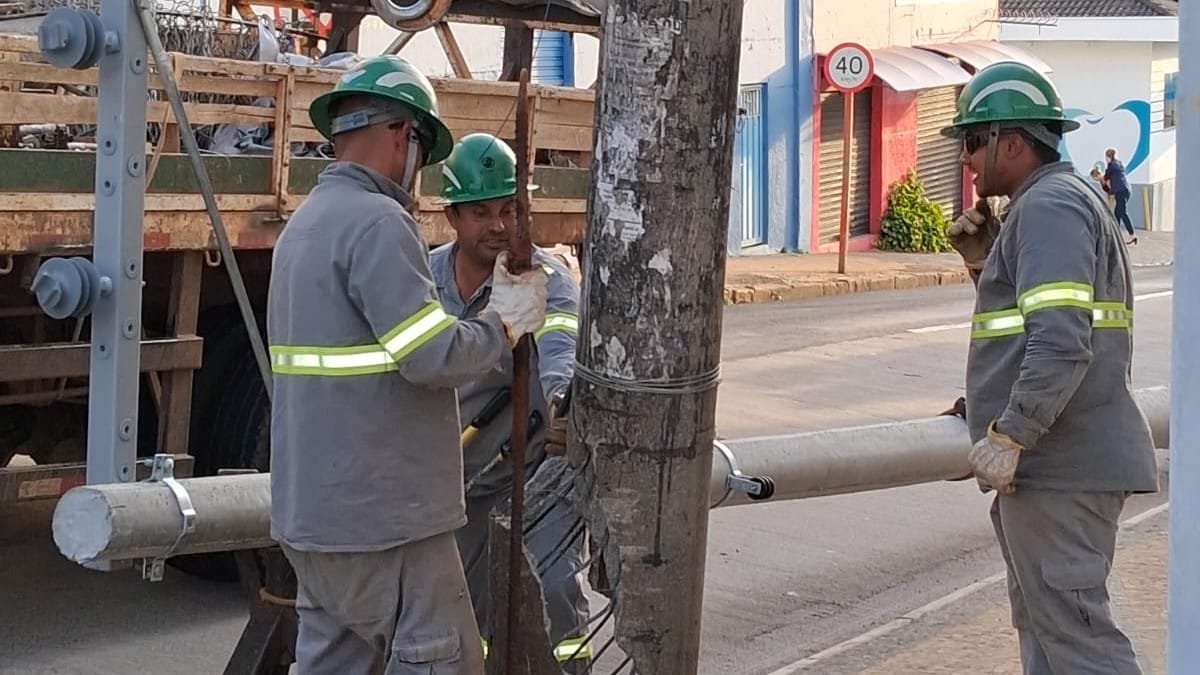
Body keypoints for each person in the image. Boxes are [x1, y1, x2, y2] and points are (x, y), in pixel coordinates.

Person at [266, 56, 550, 675]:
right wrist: (503, 325)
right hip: (386, 523)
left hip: (315, 515)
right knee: (441, 660)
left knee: (332, 663)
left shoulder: (305, 226)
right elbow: (430, 356)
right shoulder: (378, 222)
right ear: (403, 138)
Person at [941, 61, 1158, 675]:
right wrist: (987, 265)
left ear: (1010, 143)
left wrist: (1012, 433)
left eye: (971, 142)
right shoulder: (1059, 202)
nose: (964, 158)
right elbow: (1032, 327)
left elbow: (1062, 342)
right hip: (1059, 469)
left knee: (1080, 647)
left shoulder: (1050, 208)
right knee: (1049, 638)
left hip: (1061, 469)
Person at [430, 132, 591, 672]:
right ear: (452, 217)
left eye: (509, 209)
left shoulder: (547, 282)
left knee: (554, 590)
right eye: (481, 213)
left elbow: (560, 349)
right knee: (462, 613)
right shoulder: (425, 279)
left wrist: (563, 396)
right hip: (457, 481)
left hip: (536, 475)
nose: (499, 226)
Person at [1103, 147, 1137, 244]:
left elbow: (1106, 177)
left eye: (1106, 157)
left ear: (1108, 157)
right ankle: (1116, 234)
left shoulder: (1111, 166)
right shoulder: (1119, 163)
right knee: (1117, 212)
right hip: (1126, 189)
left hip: (1120, 190)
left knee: (1122, 212)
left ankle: (1132, 234)